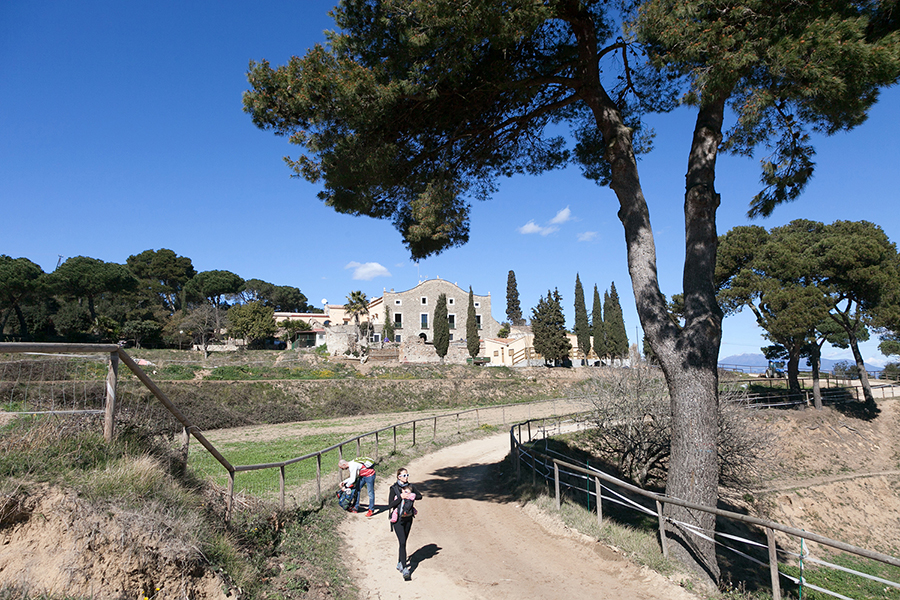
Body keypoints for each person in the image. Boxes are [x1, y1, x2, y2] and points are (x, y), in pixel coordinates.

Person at [388, 467, 421, 580]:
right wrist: (401, 497)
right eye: (404, 475)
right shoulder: (394, 488)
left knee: (404, 542)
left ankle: (399, 562)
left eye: (407, 475)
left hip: (408, 518)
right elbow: (390, 505)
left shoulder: (411, 486)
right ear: (398, 477)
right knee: (402, 542)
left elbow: (420, 496)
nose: (406, 477)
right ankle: (405, 569)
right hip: (398, 520)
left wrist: (411, 494)